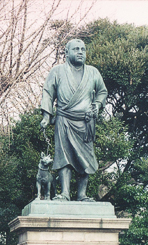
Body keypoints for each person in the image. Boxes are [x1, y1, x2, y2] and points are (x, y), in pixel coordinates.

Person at [40, 38, 108, 201]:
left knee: (86, 158)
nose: (80, 52)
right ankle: (64, 193)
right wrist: (46, 116)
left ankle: (82, 194)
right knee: (64, 157)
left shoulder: (93, 72)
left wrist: (97, 105)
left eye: (83, 49)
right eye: (76, 49)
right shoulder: (57, 72)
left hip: (85, 121)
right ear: (66, 52)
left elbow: (102, 92)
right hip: (64, 119)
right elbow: (48, 93)